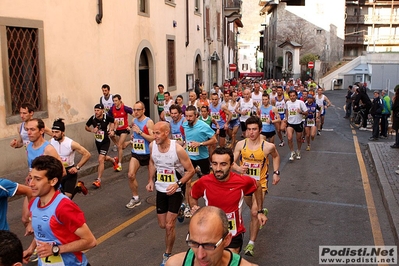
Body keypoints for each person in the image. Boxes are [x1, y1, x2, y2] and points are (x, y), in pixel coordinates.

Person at [189, 148, 267, 254]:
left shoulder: (242, 182)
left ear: (231, 165)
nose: (218, 168)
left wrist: (260, 211)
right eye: (215, 164)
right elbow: (193, 195)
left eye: (223, 164)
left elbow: (257, 186)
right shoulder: (204, 182)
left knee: (228, 261)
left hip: (233, 233)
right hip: (211, 232)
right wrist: (194, 207)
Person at [22, 155, 97, 265]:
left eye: (37, 179)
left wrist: (55, 250)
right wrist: (31, 249)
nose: (31, 183)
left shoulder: (63, 207)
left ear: (53, 181)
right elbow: (42, 231)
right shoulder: (33, 203)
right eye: (31, 178)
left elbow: (90, 241)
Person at [146, 122, 195, 266]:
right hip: (160, 189)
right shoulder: (152, 146)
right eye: (153, 133)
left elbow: (191, 170)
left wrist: (178, 184)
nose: (154, 136)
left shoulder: (177, 149)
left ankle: (167, 254)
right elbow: (152, 162)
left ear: (166, 133)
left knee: (169, 226)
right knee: (162, 224)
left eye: (157, 133)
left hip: (176, 189)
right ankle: (180, 211)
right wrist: (150, 180)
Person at [232, 116, 280, 256]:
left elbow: (276, 157)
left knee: (254, 212)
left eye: (254, 129)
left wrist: (276, 172)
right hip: (245, 183)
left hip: (260, 184)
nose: (251, 132)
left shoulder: (268, 146)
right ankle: (261, 210)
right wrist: (238, 169)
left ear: (260, 130)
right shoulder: (241, 145)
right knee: (251, 206)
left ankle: (251, 244)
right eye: (249, 129)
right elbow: (231, 161)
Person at [165, 206, 258, 266]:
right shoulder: (174, 263)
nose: (200, 255)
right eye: (194, 243)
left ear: (227, 240)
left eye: (209, 245)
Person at [183, 105, 217, 217]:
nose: (188, 118)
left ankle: (210, 204)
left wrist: (200, 144)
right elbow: (186, 138)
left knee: (206, 181)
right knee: (187, 181)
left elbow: (214, 140)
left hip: (202, 157)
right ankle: (188, 206)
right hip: (189, 158)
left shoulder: (203, 125)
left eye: (190, 116)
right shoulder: (185, 124)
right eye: (186, 116)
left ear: (196, 115)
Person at [51, 118, 91, 199]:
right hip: (57, 172)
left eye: (57, 132)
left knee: (67, 198)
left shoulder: (71, 144)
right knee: (56, 197)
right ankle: (78, 188)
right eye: (53, 132)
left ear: (63, 132)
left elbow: (87, 154)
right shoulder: (51, 142)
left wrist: (77, 167)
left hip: (70, 172)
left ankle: (77, 188)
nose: (54, 134)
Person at [126, 101, 154, 209]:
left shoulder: (149, 122)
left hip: (148, 154)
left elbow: (153, 138)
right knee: (130, 175)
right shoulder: (133, 120)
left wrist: (140, 132)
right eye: (134, 110)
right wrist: (133, 136)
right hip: (136, 153)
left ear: (143, 110)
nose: (136, 112)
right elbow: (135, 133)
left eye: (138, 110)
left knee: (155, 178)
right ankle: (135, 198)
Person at [85, 103, 117, 188]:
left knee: (100, 159)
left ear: (102, 110)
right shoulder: (93, 118)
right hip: (98, 141)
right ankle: (113, 160)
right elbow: (86, 127)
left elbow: (114, 121)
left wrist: (113, 130)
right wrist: (92, 130)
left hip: (105, 141)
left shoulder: (106, 117)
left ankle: (98, 180)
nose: (96, 112)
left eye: (98, 110)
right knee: (103, 157)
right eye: (95, 110)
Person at [108, 94, 134, 171]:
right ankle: (129, 142)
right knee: (112, 136)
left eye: (116, 100)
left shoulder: (125, 108)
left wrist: (131, 126)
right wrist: (110, 129)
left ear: (120, 100)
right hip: (116, 129)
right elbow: (110, 120)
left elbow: (136, 116)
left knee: (119, 146)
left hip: (124, 129)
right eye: (113, 101)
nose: (115, 102)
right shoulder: (112, 109)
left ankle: (119, 164)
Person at [285, 90, 308, 161]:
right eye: (290, 96)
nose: (292, 97)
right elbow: (287, 111)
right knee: (289, 138)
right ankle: (292, 152)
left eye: (293, 95)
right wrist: (286, 118)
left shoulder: (300, 103)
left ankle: (298, 151)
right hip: (290, 123)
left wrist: (301, 112)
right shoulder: (287, 103)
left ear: (296, 96)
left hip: (298, 123)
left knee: (298, 139)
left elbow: (306, 112)